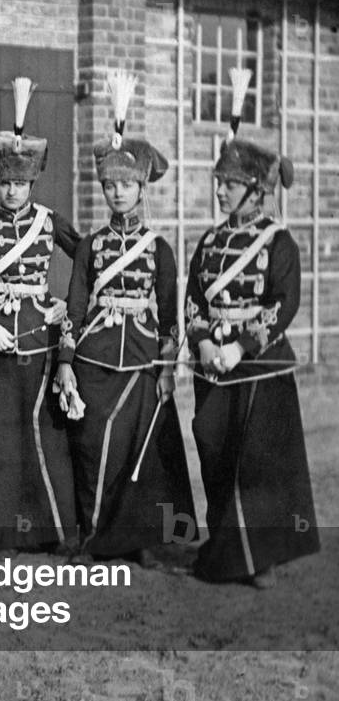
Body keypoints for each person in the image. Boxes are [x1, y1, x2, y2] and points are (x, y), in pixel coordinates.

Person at [185, 67, 319, 589]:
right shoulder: (209, 240)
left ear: (257, 191)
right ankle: (224, 548)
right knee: (215, 454)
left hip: (257, 367)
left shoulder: (279, 243)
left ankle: (256, 558)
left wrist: (239, 347)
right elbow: (195, 298)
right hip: (211, 367)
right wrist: (201, 342)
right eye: (220, 183)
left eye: (231, 184)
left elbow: (284, 305)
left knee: (256, 466)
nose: (220, 192)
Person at [53, 70, 194, 566]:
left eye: (126, 185)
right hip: (93, 355)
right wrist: (66, 361)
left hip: (139, 357)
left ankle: (139, 541)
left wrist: (165, 369)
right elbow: (75, 304)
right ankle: (92, 536)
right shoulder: (90, 245)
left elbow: (171, 316)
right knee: (91, 448)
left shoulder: (159, 248)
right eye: (110, 184)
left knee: (141, 451)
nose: (116, 193)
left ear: (141, 189)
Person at [0, 77, 80, 559]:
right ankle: (0, 537)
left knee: (46, 437)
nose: (12, 191)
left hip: (40, 336)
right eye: (5, 183)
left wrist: (69, 306)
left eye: (20, 183)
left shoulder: (50, 220)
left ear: (32, 182)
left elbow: (91, 259)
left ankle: (53, 531)